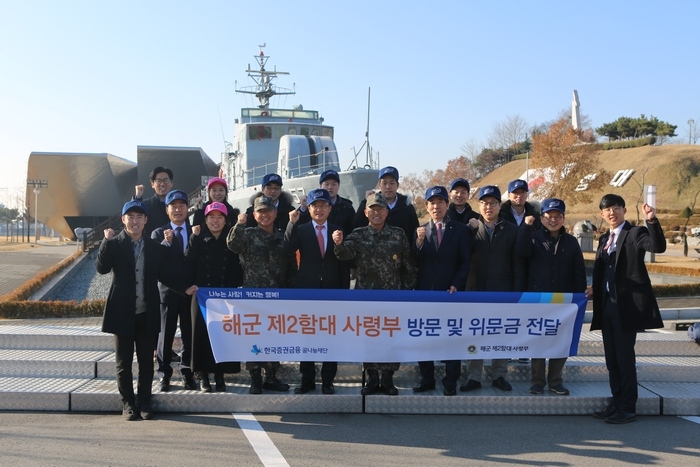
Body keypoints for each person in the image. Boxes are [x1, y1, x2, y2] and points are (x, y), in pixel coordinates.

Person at [96, 199, 191, 421]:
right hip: (122, 313)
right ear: (123, 220)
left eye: (140, 217)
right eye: (131, 217)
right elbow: (101, 268)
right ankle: (128, 404)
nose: (135, 221)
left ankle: (145, 402)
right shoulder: (116, 244)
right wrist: (106, 242)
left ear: (146, 220)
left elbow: (165, 276)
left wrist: (185, 288)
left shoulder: (154, 247)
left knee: (147, 363)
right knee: (124, 363)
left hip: (147, 313)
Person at [586, 194, 666, 424]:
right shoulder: (603, 239)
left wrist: (651, 221)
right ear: (602, 215)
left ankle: (628, 406)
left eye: (616, 208)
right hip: (607, 306)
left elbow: (657, 246)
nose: (612, 212)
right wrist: (594, 289)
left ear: (624, 211)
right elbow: (604, 271)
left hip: (626, 307)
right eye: (607, 210)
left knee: (624, 357)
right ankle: (617, 400)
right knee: (611, 358)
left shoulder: (635, 233)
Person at [334, 192, 416, 395]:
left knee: (391, 337)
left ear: (387, 212)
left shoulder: (398, 234)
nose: (376, 213)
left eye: (380, 209)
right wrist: (338, 244)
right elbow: (345, 254)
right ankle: (372, 378)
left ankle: (388, 379)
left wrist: (406, 292)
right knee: (368, 338)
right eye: (372, 209)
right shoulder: (359, 234)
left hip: (392, 297)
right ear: (365, 212)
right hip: (366, 299)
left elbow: (409, 266)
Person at [228, 196, 296, 394]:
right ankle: (255, 378)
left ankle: (271, 377)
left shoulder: (283, 237)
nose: (265, 215)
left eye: (268, 211)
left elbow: (291, 267)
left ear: (275, 213)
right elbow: (232, 244)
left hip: (277, 296)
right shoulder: (247, 235)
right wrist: (239, 224)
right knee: (254, 337)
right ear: (254, 215)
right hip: (253, 297)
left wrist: (291, 294)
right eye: (260, 212)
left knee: (274, 337)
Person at [461, 185, 527, 393]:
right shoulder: (469, 229)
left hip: (502, 290)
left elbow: (517, 263)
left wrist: (516, 291)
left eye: (492, 203)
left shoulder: (511, 229)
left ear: (500, 205)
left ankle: (499, 374)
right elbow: (462, 260)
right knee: (474, 334)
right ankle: (473, 376)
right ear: (478, 206)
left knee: (500, 333)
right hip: (475, 290)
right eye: (484, 203)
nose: (488, 207)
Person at [285, 188, 351, 394]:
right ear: (310, 208)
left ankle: (328, 380)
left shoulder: (338, 230)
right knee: (307, 335)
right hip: (307, 291)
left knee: (330, 335)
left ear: (330, 208)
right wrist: (291, 223)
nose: (319, 209)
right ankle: (307, 380)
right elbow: (287, 248)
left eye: (323, 205)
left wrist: (344, 290)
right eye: (315, 206)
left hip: (332, 291)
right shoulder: (302, 229)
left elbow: (344, 263)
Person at [521, 198, 586, 396]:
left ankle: (556, 381)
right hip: (538, 299)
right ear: (542, 218)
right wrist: (525, 229)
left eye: (557, 216)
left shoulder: (571, 242)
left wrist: (579, 296)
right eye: (549, 216)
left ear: (564, 218)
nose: (553, 220)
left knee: (561, 340)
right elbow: (521, 254)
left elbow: (579, 272)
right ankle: (537, 381)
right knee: (538, 340)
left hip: (564, 300)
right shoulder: (533, 238)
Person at [412, 186, 471, 396]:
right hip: (425, 294)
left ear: (447, 205)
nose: (436, 206)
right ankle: (426, 378)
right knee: (424, 336)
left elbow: (465, 262)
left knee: (451, 337)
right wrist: (418, 242)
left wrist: (457, 283)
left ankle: (450, 380)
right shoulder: (420, 230)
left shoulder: (461, 230)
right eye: (432, 203)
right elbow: (413, 262)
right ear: (426, 206)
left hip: (450, 293)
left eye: (440, 202)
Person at [185, 201, 243, 392]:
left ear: (226, 221)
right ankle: (202, 376)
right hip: (202, 295)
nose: (215, 221)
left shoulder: (231, 240)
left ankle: (220, 374)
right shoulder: (198, 238)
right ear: (205, 219)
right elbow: (188, 263)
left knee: (222, 336)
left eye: (220, 217)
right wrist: (189, 285)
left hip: (224, 296)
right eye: (212, 217)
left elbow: (237, 268)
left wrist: (233, 289)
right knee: (200, 335)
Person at [151, 190, 196, 392]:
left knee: (189, 335)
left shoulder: (196, 230)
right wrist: (166, 244)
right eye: (173, 206)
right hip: (168, 294)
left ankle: (187, 372)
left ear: (188, 208)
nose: (178, 210)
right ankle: (164, 375)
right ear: (167, 209)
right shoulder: (158, 233)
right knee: (165, 336)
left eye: (182, 205)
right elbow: (158, 266)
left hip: (192, 295)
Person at [352, 166, 420, 244]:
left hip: (401, 252)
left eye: (392, 183)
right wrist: (365, 202)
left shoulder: (406, 206)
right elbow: (356, 225)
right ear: (379, 185)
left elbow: (414, 232)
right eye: (384, 183)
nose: (388, 187)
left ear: (397, 185)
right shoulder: (371, 204)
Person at [296, 169, 356, 235]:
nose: (330, 187)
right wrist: (303, 209)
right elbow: (299, 228)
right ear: (320, 185)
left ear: (338, 186)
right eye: (326, 184)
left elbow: (353, 228)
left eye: (334, 184)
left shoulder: (347, 207)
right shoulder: (310, 205)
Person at [133, 166, 174, 237]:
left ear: (171, 183)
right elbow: (133, 217)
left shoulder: (178, 206)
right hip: (153, 245)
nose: (162, 184)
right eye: (158, 181)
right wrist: (137, 198)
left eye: (166, 180)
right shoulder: (146, 205)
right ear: (152, 184)